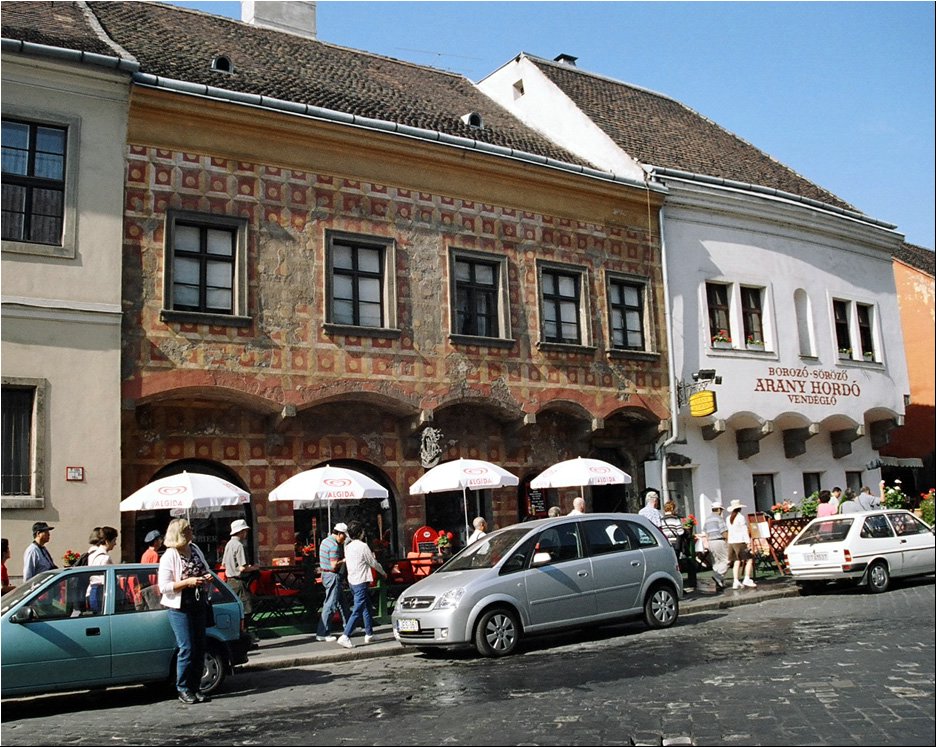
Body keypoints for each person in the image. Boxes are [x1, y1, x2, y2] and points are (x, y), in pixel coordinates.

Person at [158, 517, 214, 704]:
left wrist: (206, 576)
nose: (192, 531)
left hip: (198, 603)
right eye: (188, 529)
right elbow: (164, 586)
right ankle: (182, 688)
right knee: (187, 647)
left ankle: (195, 686)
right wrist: (187, 582)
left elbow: (205, 568)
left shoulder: (195, 549)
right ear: (180, 534)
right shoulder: (170, 555)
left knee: (200, 646)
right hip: (179, 606)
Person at [337, 520, 386, 649]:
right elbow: (372, 562)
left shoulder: (348, 546)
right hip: (361, 580)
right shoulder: (362, 546)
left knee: (366, 607)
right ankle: (345, 635)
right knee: (358, 608)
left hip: (352, 580)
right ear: (360, 533)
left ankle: (369, 633)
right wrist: (383, 572)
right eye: (362, 531)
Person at [221, 519, 259, 635]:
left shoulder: (228, 544)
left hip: (230, 581)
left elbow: (223, 564)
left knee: (237, 609)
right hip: (239, 582)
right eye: (245, 531)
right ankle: (243, 635)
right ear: (241, 532)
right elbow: (242, 568)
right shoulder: (239, 545)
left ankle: (239, 634)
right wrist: (254, 568)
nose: (246, 534)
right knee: (247, 609)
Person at [316, 522, 350, 643]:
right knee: (330, 604)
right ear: (339, 534)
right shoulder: (334, 546)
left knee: (342, 602)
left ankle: (349, 626)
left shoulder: (325, 541)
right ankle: (322, 632)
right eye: (344, 536)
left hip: (325, 574)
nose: (344, 538)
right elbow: (334, 565)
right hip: (332, 575)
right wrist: (344, 560)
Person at [86, 526, 118, 613]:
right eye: (114, 540)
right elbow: (107, 580)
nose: (115, 544)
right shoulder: (105, 558)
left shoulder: (92, 555)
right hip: (101, 592)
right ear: (107, 541)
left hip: (92, 591)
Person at [725, 499, 756, 589]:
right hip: (740, 541)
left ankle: (736, 581)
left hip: (731, 542)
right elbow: (744, 531)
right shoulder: (740, 517)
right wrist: (748, 542)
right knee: (749, 559)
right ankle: (747, 578)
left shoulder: (728, 518)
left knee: (736, 561)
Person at [702, 501, 729, 591]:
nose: (721, 511)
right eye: (721, 509)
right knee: (727, 560)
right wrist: (727, 540)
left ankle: (719, 582)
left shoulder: (707, 519)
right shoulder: (719, 519)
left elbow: (705, 531)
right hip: (719, 540)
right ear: (718, 509)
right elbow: (724, 532)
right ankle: (718, 576)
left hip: (711, 541)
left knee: (716, 562)